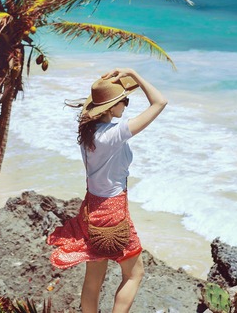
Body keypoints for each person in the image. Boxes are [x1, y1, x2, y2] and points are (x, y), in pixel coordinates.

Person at [47, 68, 168, 313]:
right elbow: (160, 101)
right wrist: (134, 73)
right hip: (113, 211)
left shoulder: (87, 131)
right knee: (134, 274)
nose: (126, 104)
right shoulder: (113, 134)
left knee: (94, 277)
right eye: (123, 100)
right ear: (110, 108)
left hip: (91, 207)